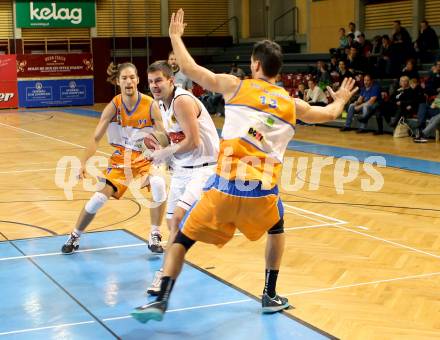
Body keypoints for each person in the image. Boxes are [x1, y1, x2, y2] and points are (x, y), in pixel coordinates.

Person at [130, 9, 358, 323]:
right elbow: (331, 115)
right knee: (277, 228)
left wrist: (174, 35)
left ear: (255, 64)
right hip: (261, 193)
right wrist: (343, 98)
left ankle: (160, 298)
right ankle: (269, 293)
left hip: (223, 187)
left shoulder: (236, 86)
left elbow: (189, 68)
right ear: (278, 70)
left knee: (181, 238)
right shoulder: (294, 105)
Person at [61, 62, 167, 254]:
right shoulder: (113, 107)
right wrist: (82, 163)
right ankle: (75, 235)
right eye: (124, 78)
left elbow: (163, 136)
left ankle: (155, 234)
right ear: (118, 81)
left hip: (146, 158)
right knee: (98, 199)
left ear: (138, 80)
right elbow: (95, 138)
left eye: (132, 77)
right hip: (121, 160)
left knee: (159, 183)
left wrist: (157, 150)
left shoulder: (150, 105)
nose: (129, 81)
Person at [145, 60, 220, 294]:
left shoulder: (182, 100)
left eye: (158, 80)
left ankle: (163, 277)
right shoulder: (161, 104)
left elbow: (193, 141)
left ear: (170, 80)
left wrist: (164, 152)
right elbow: (176, 138)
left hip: (203, 168)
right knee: (172, 226)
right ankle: (172, 266)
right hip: (182, 170)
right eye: (150, 82)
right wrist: (160, 156)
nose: (154, 85)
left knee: (177, 221)